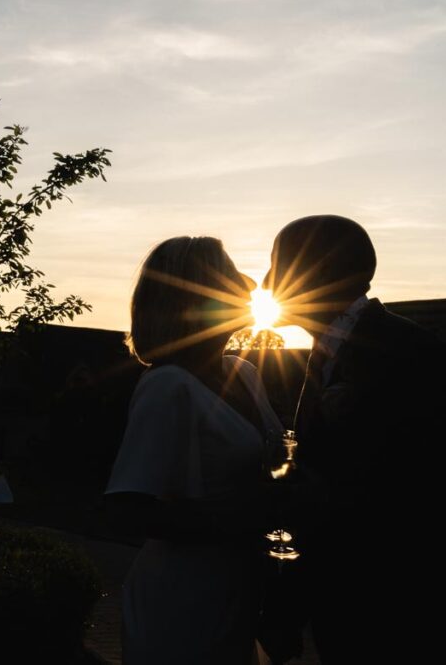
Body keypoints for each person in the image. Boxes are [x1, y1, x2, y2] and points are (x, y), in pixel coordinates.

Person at [258, 215, 446, 664]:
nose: (265, 282)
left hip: (415, 620)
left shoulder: (412, 354)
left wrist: (331, 495)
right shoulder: (328, 355)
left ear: (322, 271)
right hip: (353, 616)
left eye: (278, 265)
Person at [104, 236, 284, 664]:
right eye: (228, 273)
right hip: (182, 598)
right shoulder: (167, 385)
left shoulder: (244, 372)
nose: (249, 284)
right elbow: (130, 509)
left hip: (238, 589)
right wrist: (247, 517)